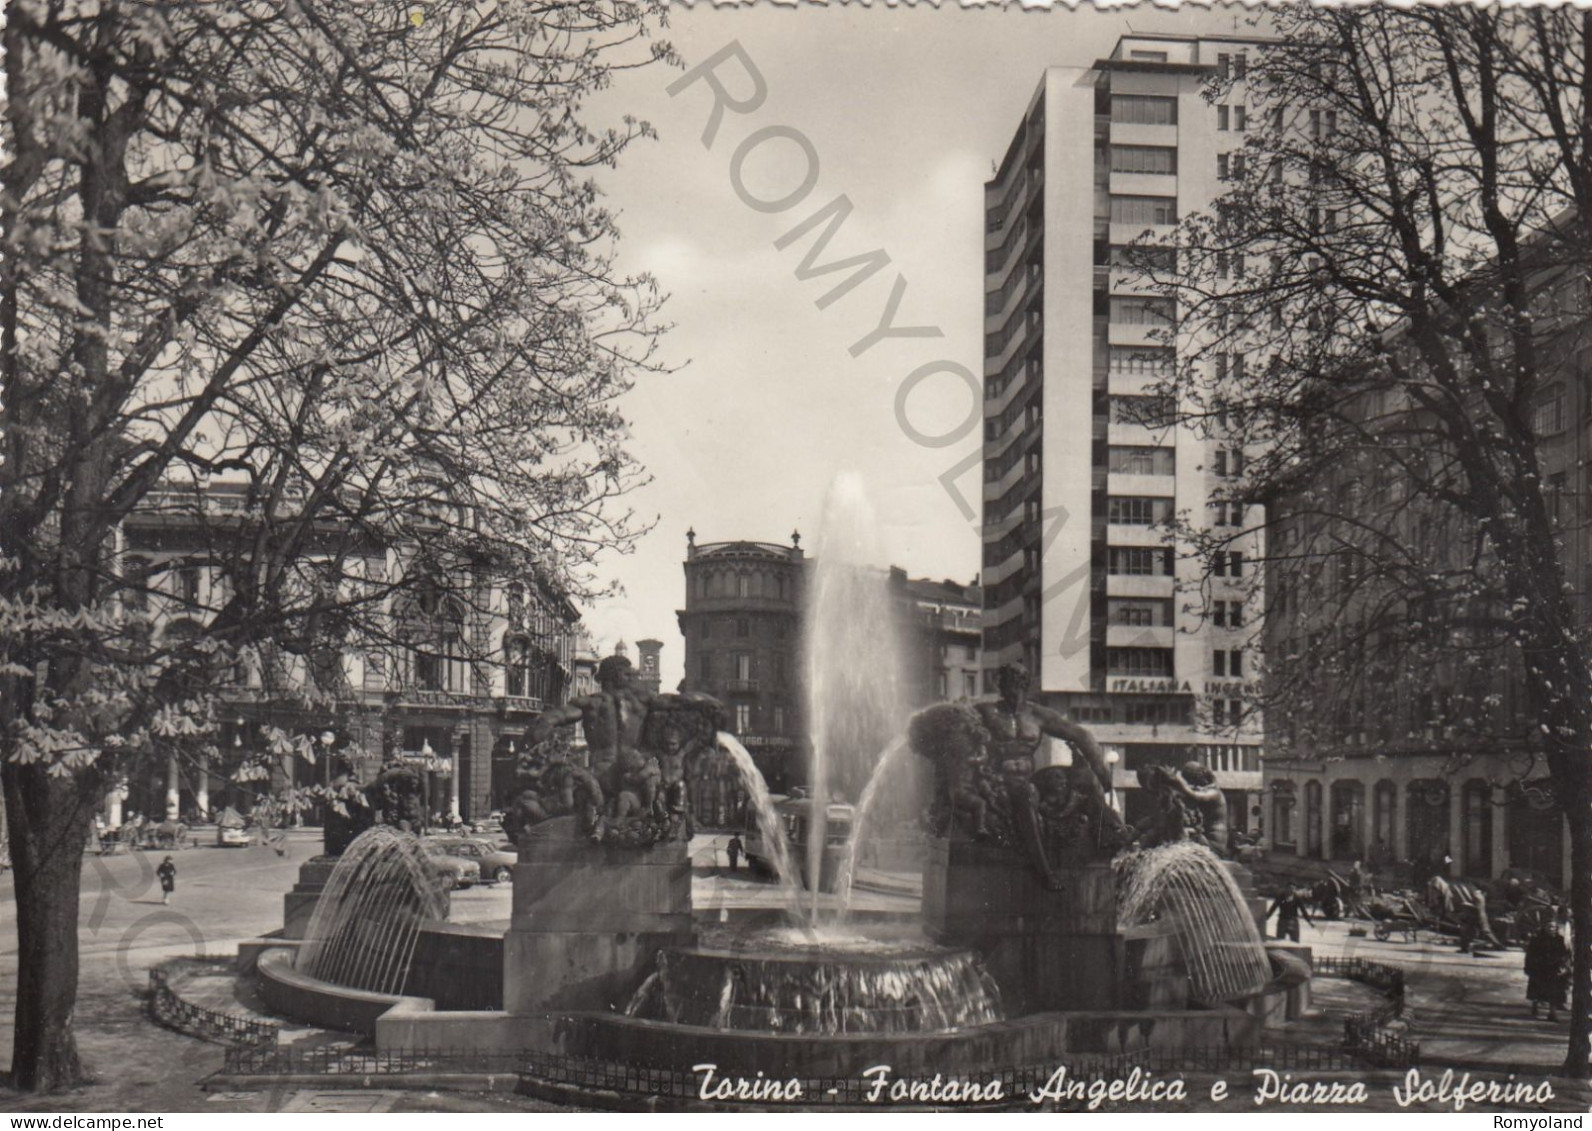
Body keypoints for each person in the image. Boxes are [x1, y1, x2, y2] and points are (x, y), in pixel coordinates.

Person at [1525, 917, 1570, 1021]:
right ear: (1544, 927)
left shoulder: (1560, 940)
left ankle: (1552, 1013)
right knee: (1537, 989)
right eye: (1549, 926)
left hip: (1553, 968)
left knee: (1554, 991)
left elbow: (1564, 954)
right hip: (1539, 968)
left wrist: (1563, 966)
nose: (1551, 929)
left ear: (1556, 928)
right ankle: (1535, 1004)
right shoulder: (1537, 939)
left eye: (1553, 927)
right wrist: (1529, 967)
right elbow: (1530, 954)